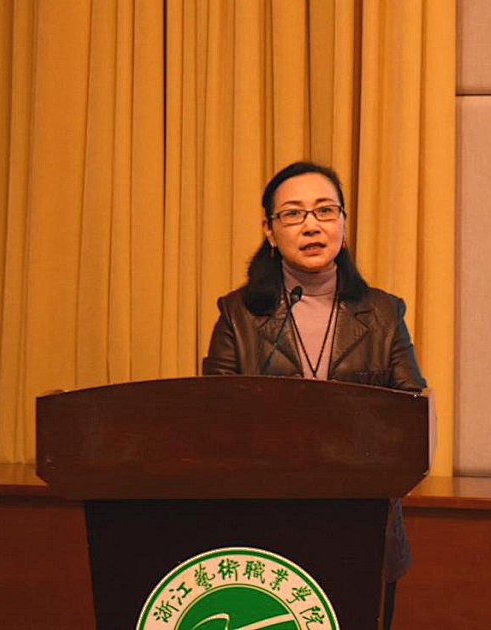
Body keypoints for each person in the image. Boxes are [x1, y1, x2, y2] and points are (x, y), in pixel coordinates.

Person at [202, 161, 426, 628]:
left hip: (364, 524)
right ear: (269, 230)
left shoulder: (383, 314)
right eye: (292, 214)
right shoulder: (238, 316)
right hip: (263, 526)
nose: (311, 225)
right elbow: (213, 420)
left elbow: (410, 418)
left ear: (343, 222)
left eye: (325, 210)